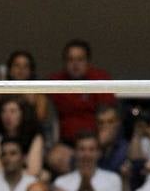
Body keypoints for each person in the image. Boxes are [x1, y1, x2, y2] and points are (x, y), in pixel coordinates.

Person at [46, 40, 116, 174]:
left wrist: (96, 145)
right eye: (70, 59)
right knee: (55, 157)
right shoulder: (56, 81)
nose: (75, 64)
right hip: (67, 144)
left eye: (80, 59)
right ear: (64, 62)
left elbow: (109, 116)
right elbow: (37, 101)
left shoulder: (100, 79)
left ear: (88, 62)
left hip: (96, 141)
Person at [0, 98, 44, 178]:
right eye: (3, 111)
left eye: (13, 111)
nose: (7, 116)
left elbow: (34, 171)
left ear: (23, 114)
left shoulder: (34, 136)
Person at [0, 51, 50, 140]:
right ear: (10, 70)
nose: (21, 69)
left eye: (25, 66)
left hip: (31, 136)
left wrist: (30, 102)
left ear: (31, 70)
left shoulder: (38, 93)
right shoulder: (3, 90)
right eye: (17, 65)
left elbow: (41, 118)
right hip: (5, 136)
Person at [95, 103, 129, 173]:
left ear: (118, 123)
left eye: (110, 122)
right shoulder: (92, 144)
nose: (105, 126)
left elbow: (110, 171)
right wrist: (98, 146)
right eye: (101, 123)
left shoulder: (125, 147)